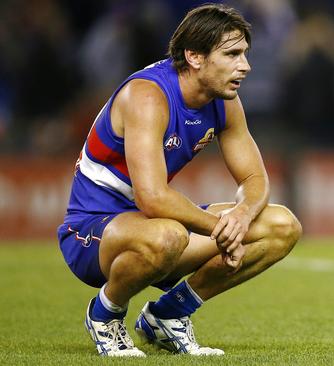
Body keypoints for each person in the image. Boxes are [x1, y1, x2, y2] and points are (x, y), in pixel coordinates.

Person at [56, 4, 302, 357]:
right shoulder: (147, 96)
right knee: (168, 234)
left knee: (281, 225)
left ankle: (169, 315)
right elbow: (153, 199)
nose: (245, 66)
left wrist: (243, 215)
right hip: (93, 233)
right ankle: (105, 314)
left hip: (157, 227)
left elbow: (253, 177)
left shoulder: (224, 100)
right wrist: (223, 230)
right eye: (232, 54)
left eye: (245, 54)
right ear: (195, 57)